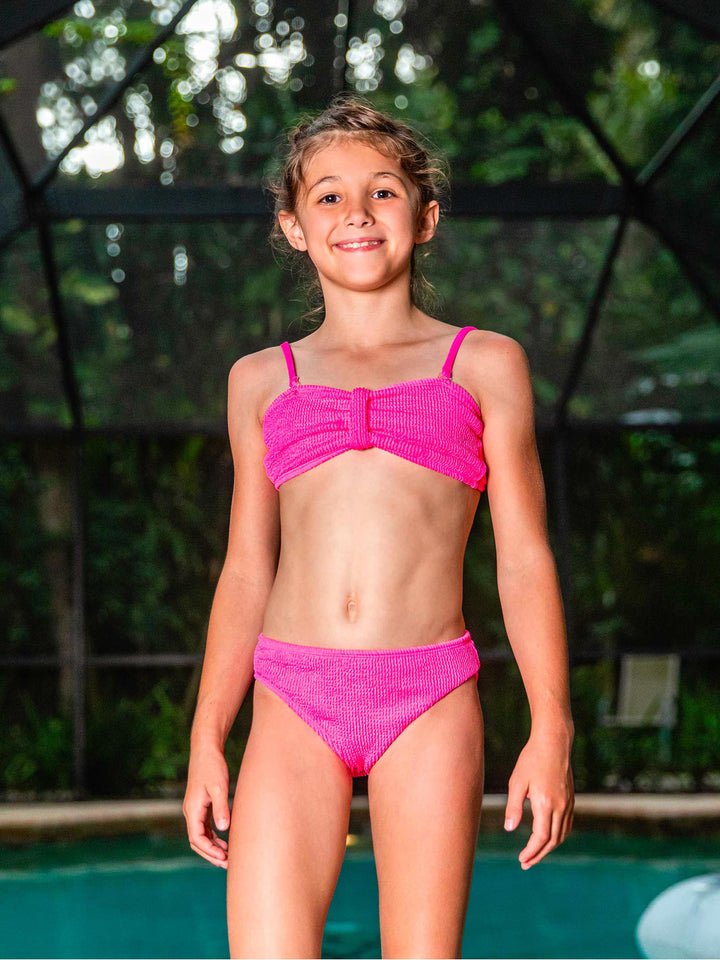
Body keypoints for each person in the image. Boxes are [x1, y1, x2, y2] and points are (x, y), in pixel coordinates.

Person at [183, 92, 575, 960]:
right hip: (292, 694)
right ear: (294, 227)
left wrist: (551, 729)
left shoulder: (484, 363)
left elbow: (523, 558)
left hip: (428, 694)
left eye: (383, 191)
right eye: (328, 195)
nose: (356, 213)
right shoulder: (261, 380)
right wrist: (208, 737)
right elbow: (246, 567)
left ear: (424, 218)